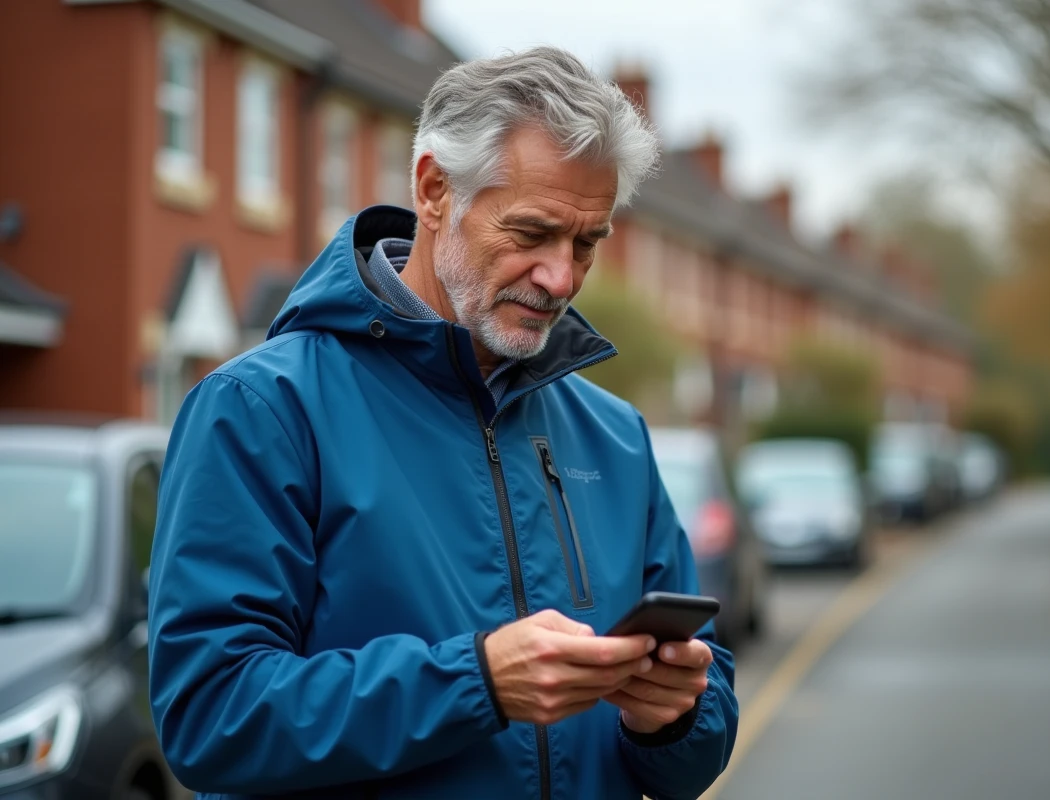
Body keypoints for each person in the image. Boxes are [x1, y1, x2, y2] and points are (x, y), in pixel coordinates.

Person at [147, 45, 737, 799]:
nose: (561, 277)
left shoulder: (615, 435)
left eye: (587, 243)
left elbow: (701, 729)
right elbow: (209, 716)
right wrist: (476, 682)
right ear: (433, 191)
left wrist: (677, 716)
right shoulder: (261, 410)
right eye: (531, 234)